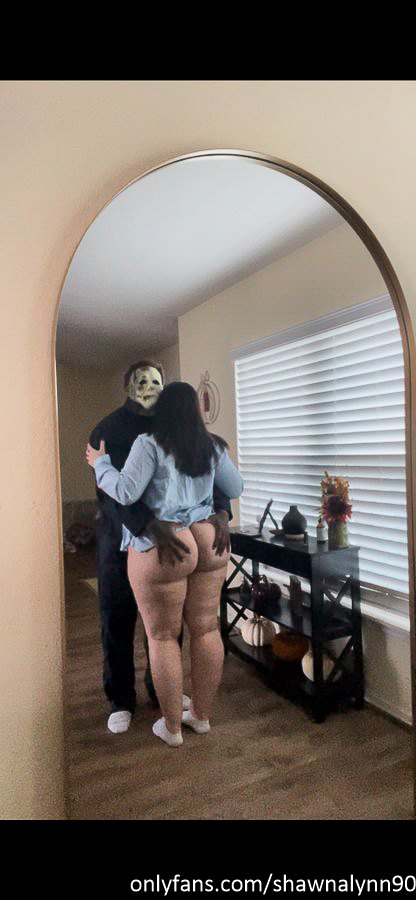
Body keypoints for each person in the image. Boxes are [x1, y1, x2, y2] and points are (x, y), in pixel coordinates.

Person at [86, 381, 243, 747]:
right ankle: (200, 716)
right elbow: (235, 488)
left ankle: (172, 728)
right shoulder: (212, 445)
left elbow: (125, 492)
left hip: (168, 542)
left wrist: (101, 464)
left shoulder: (149, 443)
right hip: (207, 537)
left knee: (162, 637)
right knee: (207, 629)